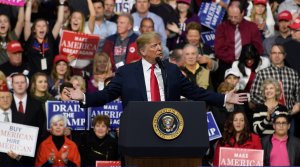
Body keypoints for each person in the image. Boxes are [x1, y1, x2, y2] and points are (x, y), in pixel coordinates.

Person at [67, 32, 248, 109]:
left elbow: (195, 92)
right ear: (142, 51)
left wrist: (224, 98)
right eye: (155, 46)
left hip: (169, 127)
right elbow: (106, 95)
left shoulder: (172, 70)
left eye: (160, 45)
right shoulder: (126, 73)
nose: (160, 49)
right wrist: (83, 97)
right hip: (140, 129)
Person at [214, 0, 263, 86]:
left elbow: (258, 48)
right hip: (227, 66)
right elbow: (218, 50)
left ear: (242, 13)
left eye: (236, 17)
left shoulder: (252, 27)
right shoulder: (221, 27)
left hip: (248, 67)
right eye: (230, 16)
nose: (232, 19)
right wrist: (235, 63)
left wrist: (245, 61)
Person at [250, 44, 300, 115]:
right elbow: (254, 95)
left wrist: (298, 104)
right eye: (274, 53)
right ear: (270, 55)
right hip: (268, 115)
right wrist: (270, 102)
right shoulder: (261, 74)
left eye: (280, 53)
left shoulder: (293, 73)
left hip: (289, 115)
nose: (277, 56)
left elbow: (298, 94)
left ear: (284, 55)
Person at [24, 0, 65, 75]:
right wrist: (29, 3)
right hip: (34, 76)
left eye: (44, 26)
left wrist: (61, 3)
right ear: (34, 30)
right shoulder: (30, 39)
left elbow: (59, 21)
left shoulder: (50, 38)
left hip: (49, 76)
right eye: (38, 26)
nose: (41, 28)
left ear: (47, 29)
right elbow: (27, 21)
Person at [0, 83, 34, 166]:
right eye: (2, 97)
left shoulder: (23, 118)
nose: (5, 100)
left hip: (16, 165)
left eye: (8, 97)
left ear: (12, 99)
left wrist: (19, 156)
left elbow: (28, 144)